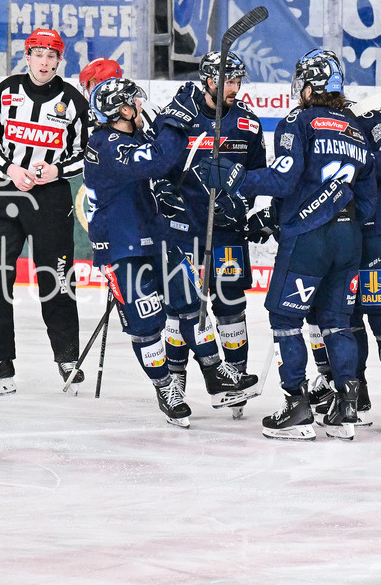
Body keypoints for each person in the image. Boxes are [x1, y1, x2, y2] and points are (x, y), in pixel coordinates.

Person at [198, 48, 377, 441]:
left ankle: (297, 407)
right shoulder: (355, 128)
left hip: (310, 239)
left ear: (310, 88)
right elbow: (367, 202)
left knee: (284, 318)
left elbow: (282, 180)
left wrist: (235, 176)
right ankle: (346, 408)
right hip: (349, 239)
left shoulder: (299, 120)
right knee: (337, 321)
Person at [83, 78, 259, 427]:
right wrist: (176, 118)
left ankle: (214, 373)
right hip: (122, 248)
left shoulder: (131, 138)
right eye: (133, 101)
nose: (139, 106)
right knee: (147, 324)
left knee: (190, 306)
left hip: (157, 238)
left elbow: (164, 166)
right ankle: (166, 389)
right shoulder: (105, 144)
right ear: (122, 109)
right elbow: (157, 159)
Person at [0, 27, 89, 396]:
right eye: (39, 55)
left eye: (52, 56)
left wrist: (57, 170)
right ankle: (0, 362)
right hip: (4, 192)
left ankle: (67, 357)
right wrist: (10, 169)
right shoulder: (6, 92)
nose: (45, 62)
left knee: (57, 279)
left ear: (59, 60)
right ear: (28, 56)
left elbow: (85, 151)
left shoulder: (73, 102)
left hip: (50, 199)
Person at [155, 51, 266, 412]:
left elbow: (259, 177)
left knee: (231, 305)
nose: (234, 88)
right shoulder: (179, 119)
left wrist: (246, 206)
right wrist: (164, 192)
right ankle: (175, 380)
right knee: (180, 308)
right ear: (208, 81)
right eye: (227, 81)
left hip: (227, 233)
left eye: (237, 81)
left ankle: (234, 379)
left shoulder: (248, 124)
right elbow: (158, 168)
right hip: (183, 230)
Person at [307, 103, 381, 431]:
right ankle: (356, 391)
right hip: (338, 234)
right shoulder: (315, 125)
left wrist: (356, 155)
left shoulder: (369, 120)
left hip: (379, 232)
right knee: (344, 317)